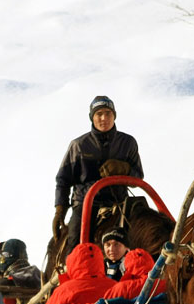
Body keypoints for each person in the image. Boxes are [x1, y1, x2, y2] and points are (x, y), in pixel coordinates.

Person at [52, 95, 144, 253]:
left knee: (145, 229)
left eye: (108, 113)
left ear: (114, 115)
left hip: (119, 202)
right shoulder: (79, 145)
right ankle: (72, 274)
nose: (104, 118)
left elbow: (138, 177)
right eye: (99, 114)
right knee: (76, 246)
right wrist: (60, 209)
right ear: (91, 117)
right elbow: (63, 179)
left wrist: (124, 169)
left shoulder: (128, 143)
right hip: (86, 202)